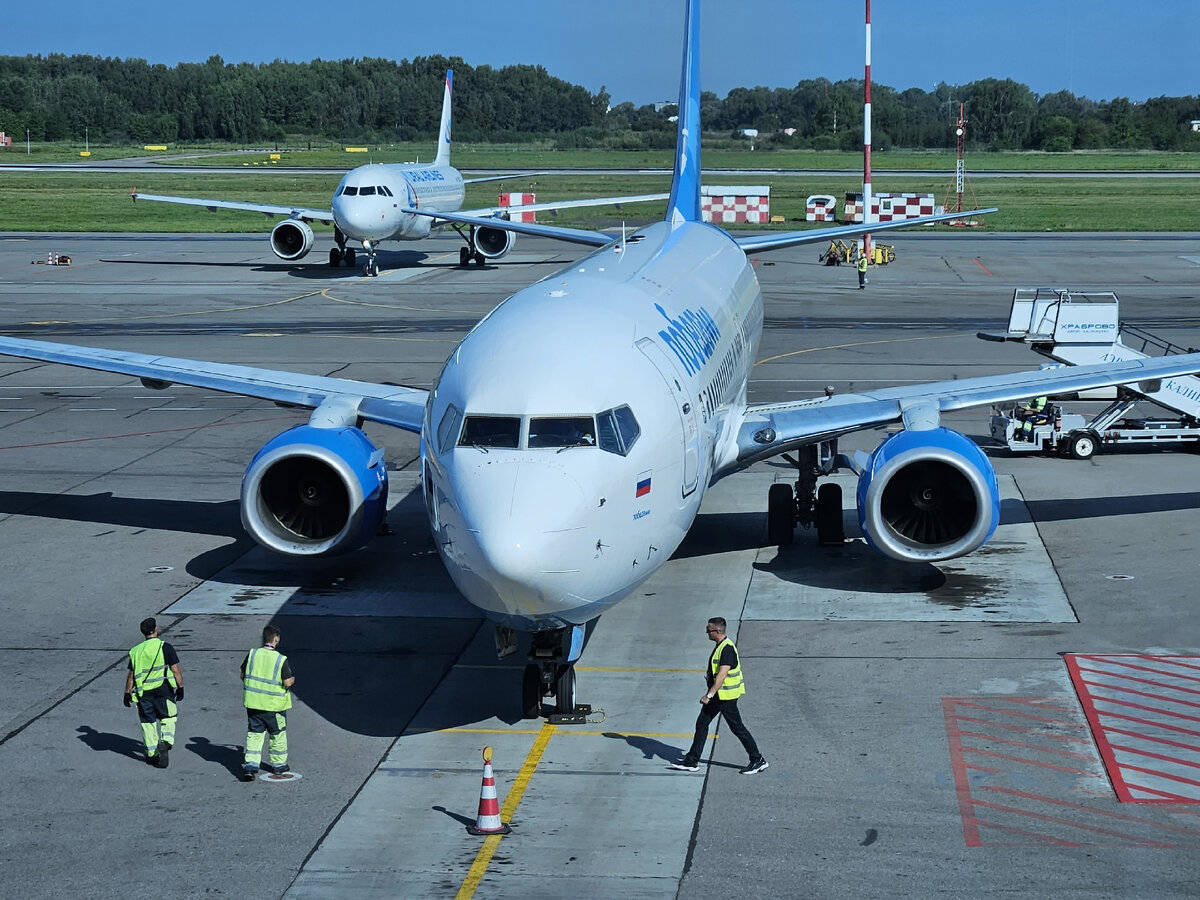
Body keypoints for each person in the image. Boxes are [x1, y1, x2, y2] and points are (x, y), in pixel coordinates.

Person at [669, 617, 768, 775]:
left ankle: (758, 760)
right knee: (702, 724)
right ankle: (691, 761)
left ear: (717, 631)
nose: (706, 632)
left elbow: (722, 675)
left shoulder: (727, 649)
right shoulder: (721, 646)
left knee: (737, 728)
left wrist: (709, 695)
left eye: (708, 630)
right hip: (719, 696)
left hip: (725, 697)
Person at [123, 616, 183, 769]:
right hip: (164, 690)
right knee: (169, 716)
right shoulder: (165, 647)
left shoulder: (136, 651)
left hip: (144, 694)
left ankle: (152, 754)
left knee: (148, 723)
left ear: (143, 633)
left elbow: (131, 675)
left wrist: (127, 693)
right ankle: (166, 742)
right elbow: (175, 670)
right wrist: (180, 687)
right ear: (156, 629)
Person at [240, 624, 295, 781]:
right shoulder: (280, 659)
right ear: (276, 639)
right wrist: (292, 679)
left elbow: (243, 675)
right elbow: (287, 682)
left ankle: (250, 766)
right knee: (277, 735)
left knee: (254, 734)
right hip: (274, 707)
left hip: (253, 705)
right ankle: (279, 765)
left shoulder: (252, 654)